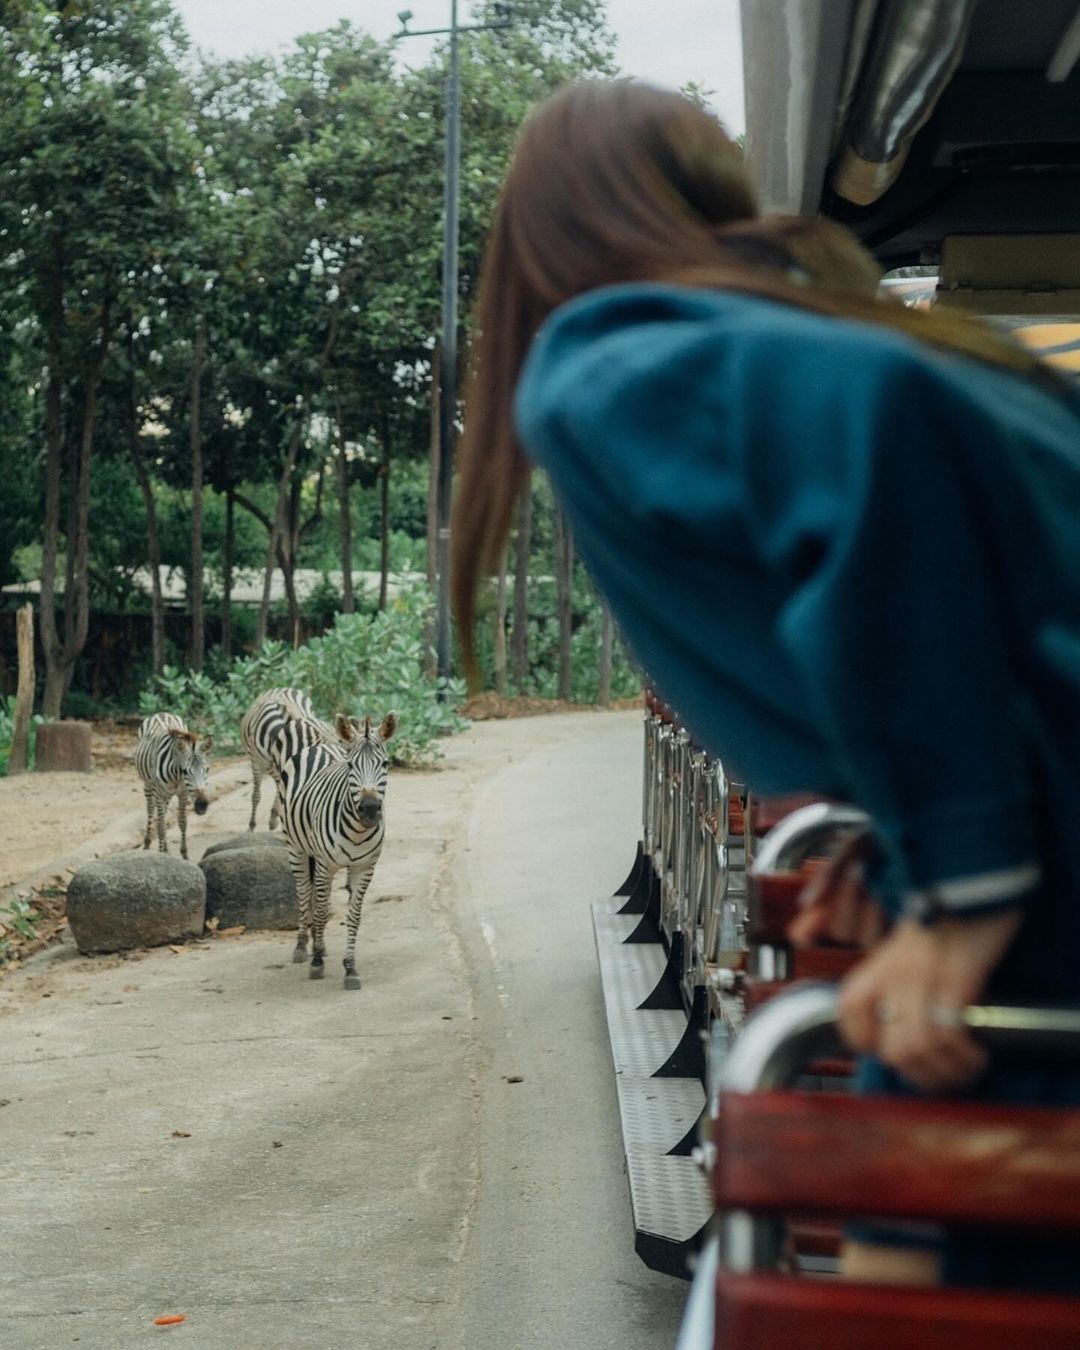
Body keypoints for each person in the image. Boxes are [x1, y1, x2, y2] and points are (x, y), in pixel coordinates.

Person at [450, 79, 1080, 1287]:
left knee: (913, 1257)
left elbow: (882, 469)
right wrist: (902, 839)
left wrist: (964, 877)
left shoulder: (609, 360)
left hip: (1047, 873)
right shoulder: (852, 332)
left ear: (535, 240)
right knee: (903, 1233)